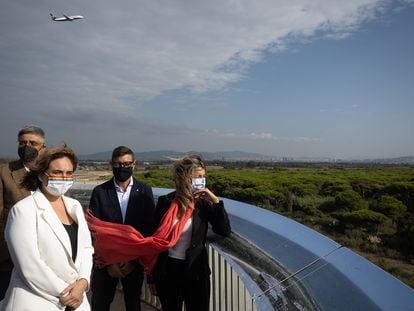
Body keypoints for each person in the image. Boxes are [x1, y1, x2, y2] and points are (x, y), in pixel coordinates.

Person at [0, 145, 94, 310]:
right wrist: (68, 293)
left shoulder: (75, 206)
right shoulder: (23, 210)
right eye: (57, 172)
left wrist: (83, 283)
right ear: (41, 175)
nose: (63, 177)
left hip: (76, 299)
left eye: (68, 173)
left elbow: (86, 248)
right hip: (36, 300)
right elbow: (29, 265)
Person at [150, 155, 231, 311]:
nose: (202, 181)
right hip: (168, 271)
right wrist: (151, 277)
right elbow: (153, 242)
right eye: (197, 177)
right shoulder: (165, 202)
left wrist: (215, 201)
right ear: (185, 178)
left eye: (203, 177)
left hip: (196, 271)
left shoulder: (203, 204)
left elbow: (224, 230)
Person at [89, 146, 155, 311]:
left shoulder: (145, 191)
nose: (122, 168)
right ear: (112, 164)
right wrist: (110, 261)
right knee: (100, 304)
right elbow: (93, 230)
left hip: (134, 263)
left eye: (127, 164)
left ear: (134, 164)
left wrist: (132, 259)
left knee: (133, 305)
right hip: (106, 264)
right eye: (118, 164)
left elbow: (149, 228)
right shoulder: (100, 192)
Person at [0, 125, 46, 299]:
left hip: (45, 258)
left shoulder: (52, 173)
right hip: (9, 260)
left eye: (32, 143)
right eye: (22, 143)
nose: (26, 146)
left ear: (43, 147)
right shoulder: (4, 172)